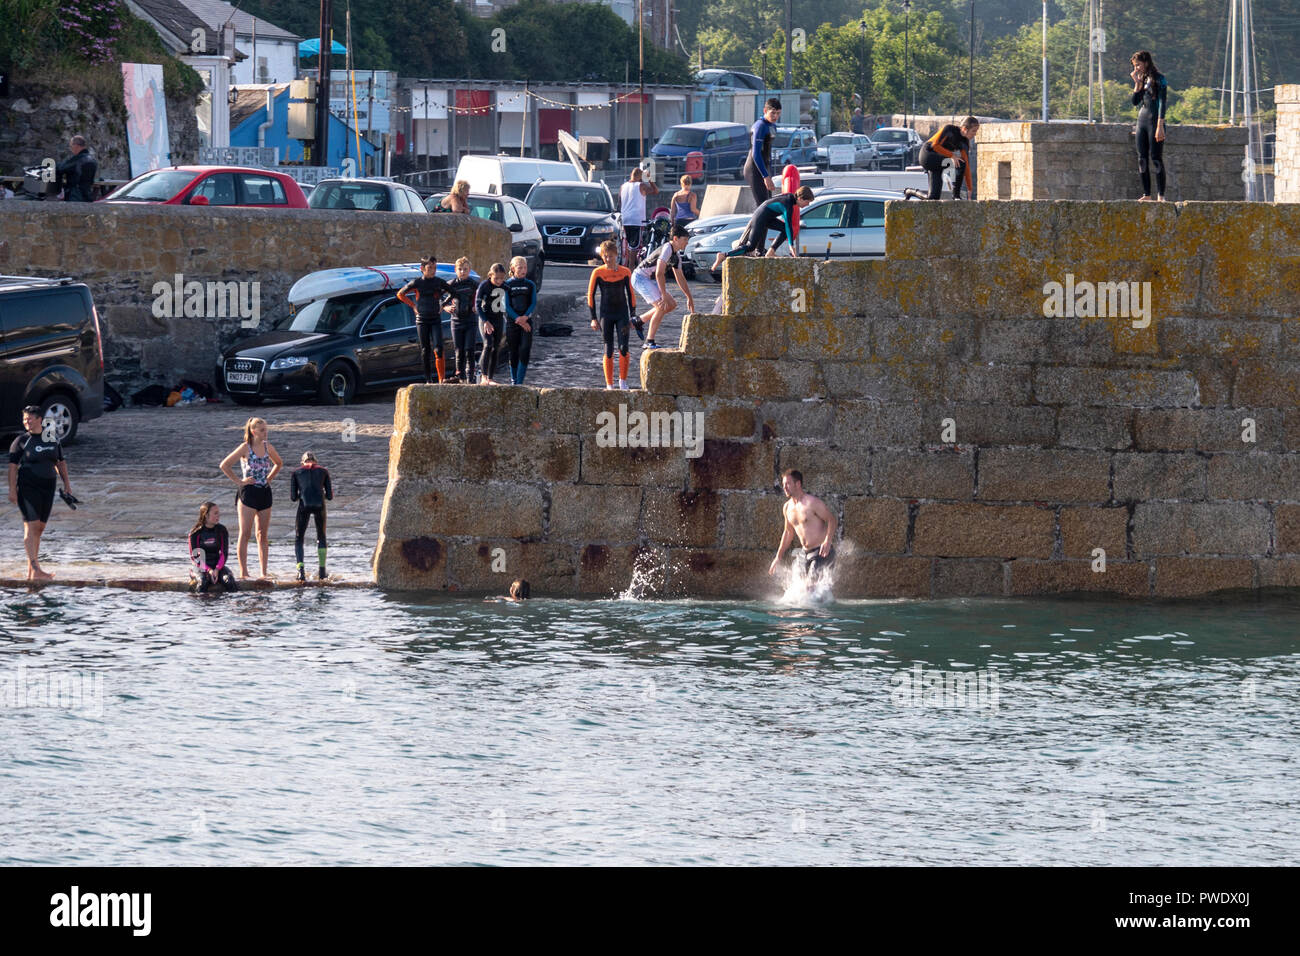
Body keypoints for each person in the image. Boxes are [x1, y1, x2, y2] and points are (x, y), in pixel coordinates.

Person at [7, 405, 73, 581]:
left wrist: (67, 484)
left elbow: (60, 463)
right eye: (24, 419)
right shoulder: (21, 441)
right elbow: (13, 468)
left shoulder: (51, 438)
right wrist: (12, 489)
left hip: (48, 487)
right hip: (28, 487)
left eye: (29, 419)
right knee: (31, 526)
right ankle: (36, 569)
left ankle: (32, 572)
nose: (26, 422)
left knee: (40, 528)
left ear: (39, 420)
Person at [219, 417, 282, 580]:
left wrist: (269, 478)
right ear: (253, 431)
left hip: (264, 493)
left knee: (262, 534)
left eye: (266, 430)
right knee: (245, 533)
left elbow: (279, 463)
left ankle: (263, 572)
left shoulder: (268, 447)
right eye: (262, 430)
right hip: (248, 493)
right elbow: (224, 465)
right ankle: (244, 572)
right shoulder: (245, 448)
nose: (265, 433)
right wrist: (239, 482)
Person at [710, 186, 814, 275]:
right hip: (760, 217)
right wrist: (791, 246)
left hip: (766, 216)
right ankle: (723, 255)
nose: (808, 205)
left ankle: (771, 252)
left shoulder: (790, 198)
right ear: (800, 198)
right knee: (751, 246)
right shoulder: (788, 204)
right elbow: (788, 225)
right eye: (807, 202)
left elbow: (787, 227)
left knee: (783, 229)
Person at [767, 469, 838, 588]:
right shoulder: (787, 507)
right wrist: (778, 557)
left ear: (798, 484)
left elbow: (832, 520)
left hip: (822, 552)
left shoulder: (812, 503)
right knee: (799, 589)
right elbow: (788, 532)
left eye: (788, 484)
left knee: (810, 588)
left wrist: (828, 541)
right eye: (783, 484)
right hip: (804, 554)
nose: (784, 487)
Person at [632, 223, 695, 350]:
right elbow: (659, 273)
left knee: (671, 305)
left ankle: (639, 321)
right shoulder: (667, 249)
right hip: (640, 278)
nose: (686, 243)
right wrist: (664, 294)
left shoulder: (676, 256)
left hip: (649, 279)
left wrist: (689, 297)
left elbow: (680, 278)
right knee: (662, 305)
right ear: (675, 239)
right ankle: (649, 341)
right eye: (685, 240)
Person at [587, 239, 637, 389]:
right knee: (608, 349)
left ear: (616, 255)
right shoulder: (598, 272)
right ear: (602, 257)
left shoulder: (625, 272)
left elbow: (631, 295)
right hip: (606, 315)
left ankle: (623, 381)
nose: (608, 259)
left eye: (611, 256)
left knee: (624, 347)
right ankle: (609, 384)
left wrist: (633, 315)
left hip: (622, 314)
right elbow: (590, 295)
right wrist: (593, 318)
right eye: (605, 256)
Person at [397, 255, 453, 384]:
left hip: (435, 319)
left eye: (435, 268)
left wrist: (443, 305)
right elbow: (400, 294)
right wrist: (413, 306)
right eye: (430, 268)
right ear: (422, 268)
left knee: (439, 348)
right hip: (422, 320)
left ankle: (441, 379)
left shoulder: (438, 281)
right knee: (425, 349)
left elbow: (453, 292)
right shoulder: (417, 282)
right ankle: (428, 379)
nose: (433, 270)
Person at [904, 117, 979, 202]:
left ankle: (909, 191)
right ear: (965, 129)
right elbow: (935, 146)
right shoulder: (949, 129)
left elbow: (967, 166)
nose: (975, 134)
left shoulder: (964, 143)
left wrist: (969, 189)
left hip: (938, 162)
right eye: (973, 131)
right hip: (928, 154)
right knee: (958, 163)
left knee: (933, 199)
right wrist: (952, 156)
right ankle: (956, 196)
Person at [1130, 51, 1169, 201]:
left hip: (1154, 121)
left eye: (1138, 65)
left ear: (1146, 62)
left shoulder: (1160, 79)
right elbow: (1135, 101)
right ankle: (1147, 194)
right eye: (1135, 66)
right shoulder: (1142, 79)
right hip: (1142, 121)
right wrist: (1137, 83)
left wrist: (1160, 125)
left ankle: (1161, 195)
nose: (1137, 68)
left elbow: (1162, 103)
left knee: (1156, 158)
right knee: (1142, 158)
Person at [290, 451, 333, 582]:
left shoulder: (296, 472)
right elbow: (330, 496)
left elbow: (293, 497)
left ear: (302, 462)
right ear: (316, 461)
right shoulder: (324, 471)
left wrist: (302, 495)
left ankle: (300, 571)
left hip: (304, 505)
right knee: (321, 536)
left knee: (299, 538)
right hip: (320, 505)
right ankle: (322, 571)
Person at [503, 256, 538, 385]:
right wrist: (518, 319)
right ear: (513, 268)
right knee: (513, 351)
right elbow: (506, 305)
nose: (523, 270)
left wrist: (525, 317)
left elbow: (533, 303)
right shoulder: (507, 284)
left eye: (525, 267)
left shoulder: (530, 284)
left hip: (526, 321)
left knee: (525, 350)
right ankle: (514, 379)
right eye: (520, 267)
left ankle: (520, 381)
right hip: (513, 322)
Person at [188, 501, 237, 593]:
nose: (218, 516)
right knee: (203, 582)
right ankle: (201, 606)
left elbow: (224, 553)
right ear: (206, 515)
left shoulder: (221, 530)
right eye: (215, 513)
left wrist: (217, 569)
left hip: (217, 565)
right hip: (200, 566)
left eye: (218, 513)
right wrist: (209, 570)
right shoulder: (195, 533)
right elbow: (195, 557)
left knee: (229, 580)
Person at [445, 256, 480, 383]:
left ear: (469, 270)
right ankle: (460, 377)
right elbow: (438, 297)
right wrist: (446, 307)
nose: (463, 272)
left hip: (470, 321)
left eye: (465, 269)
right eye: (460, 269)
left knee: (469, 349)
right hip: (456, 321)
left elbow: (484, 297)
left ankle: (470, 377)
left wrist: (477, 306)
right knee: (459, 350)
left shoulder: (474, 284)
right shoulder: (451, 284)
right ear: (455, 270)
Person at [475, 262, 510, 385]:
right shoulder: (484, 286)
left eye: (502, 278)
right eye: (496, 278)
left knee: (496, 347)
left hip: (498, 319)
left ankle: (490, 377)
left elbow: (513, 298)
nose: (499, 281)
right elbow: (477, 305)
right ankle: (483, 376)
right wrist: (485, 321)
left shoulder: (505, 286)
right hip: (485, 319)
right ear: (490, 275)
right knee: (488, 345)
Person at [744, 98, 783, 207]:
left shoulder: (772, 126)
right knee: (763, 206)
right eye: (773, 113)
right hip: (754, 168)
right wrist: (765, 176)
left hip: (764, 168)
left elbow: (767, 152)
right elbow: (756, 153)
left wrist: (768, 172)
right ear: (765, 111)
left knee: (768, 204)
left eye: (778, 113)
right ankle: (754, 224)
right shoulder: (760, 126)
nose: (776, 116)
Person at [618, 167, 655, 263]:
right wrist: (650, 179)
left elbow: (620, 203)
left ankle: (629, 265)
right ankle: (631, 267)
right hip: (636, 219)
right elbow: (655, 191)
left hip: (625, 219)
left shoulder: (623, 186)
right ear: (640, 176)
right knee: (634, 246)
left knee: (629, 243)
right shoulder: (641, 185)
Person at [55, 135, 97, 202]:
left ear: (76, 146)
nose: (71, 149)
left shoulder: (77, 159)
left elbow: (61, 168)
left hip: (75, 196)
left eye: (71, 146)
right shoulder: (93, 160)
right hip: (88, 195)